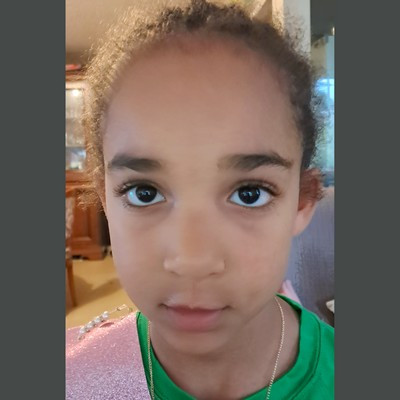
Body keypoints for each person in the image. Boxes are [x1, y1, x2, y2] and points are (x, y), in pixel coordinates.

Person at [66, 1, 334, 399]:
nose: (192, 261)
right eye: (144, 192)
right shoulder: (73, 377)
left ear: (302, 201)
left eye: (249, 193)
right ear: (105, 198)